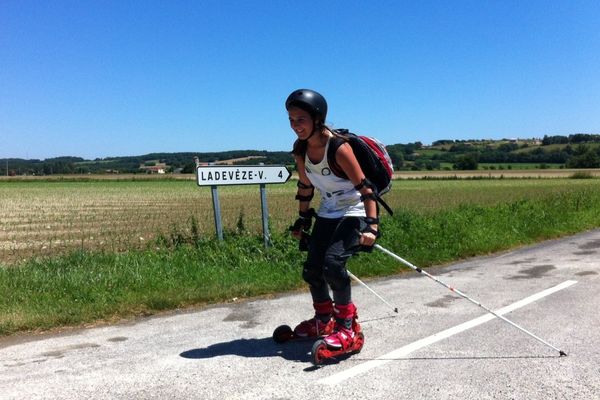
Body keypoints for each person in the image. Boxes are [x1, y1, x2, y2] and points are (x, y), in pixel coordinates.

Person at [286, 88, 380, 351]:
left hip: (354, 210)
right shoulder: (301, 150)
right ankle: (323, 321)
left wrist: (372, 226)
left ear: (317, 118)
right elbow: (305, 187)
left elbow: (366, 188)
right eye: (291, 120)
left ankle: (347, 327)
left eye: (300, 119)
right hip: (328, 210)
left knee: (333, 265)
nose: (295, 126)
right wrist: (303, 220)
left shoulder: (339, 148)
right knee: (312, 269)